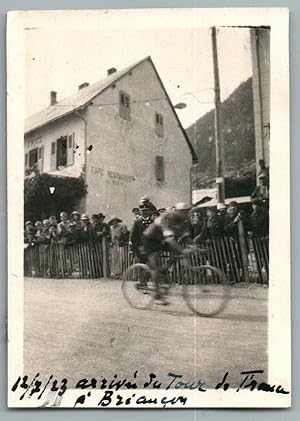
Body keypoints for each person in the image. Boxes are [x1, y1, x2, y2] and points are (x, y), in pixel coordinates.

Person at [142, 203, 204, 304]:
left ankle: (163, 274)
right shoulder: (168, 217)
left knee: (177, 255)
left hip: (161, 239)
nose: (186, 213)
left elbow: (186, 237)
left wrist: (196, 247)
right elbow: (170, 239)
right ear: (177, 211)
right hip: (150, 239)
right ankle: (157, 295)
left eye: (187, 211)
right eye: (184, 211)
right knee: (155, 264)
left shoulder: (183, 220)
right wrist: (183, 250)